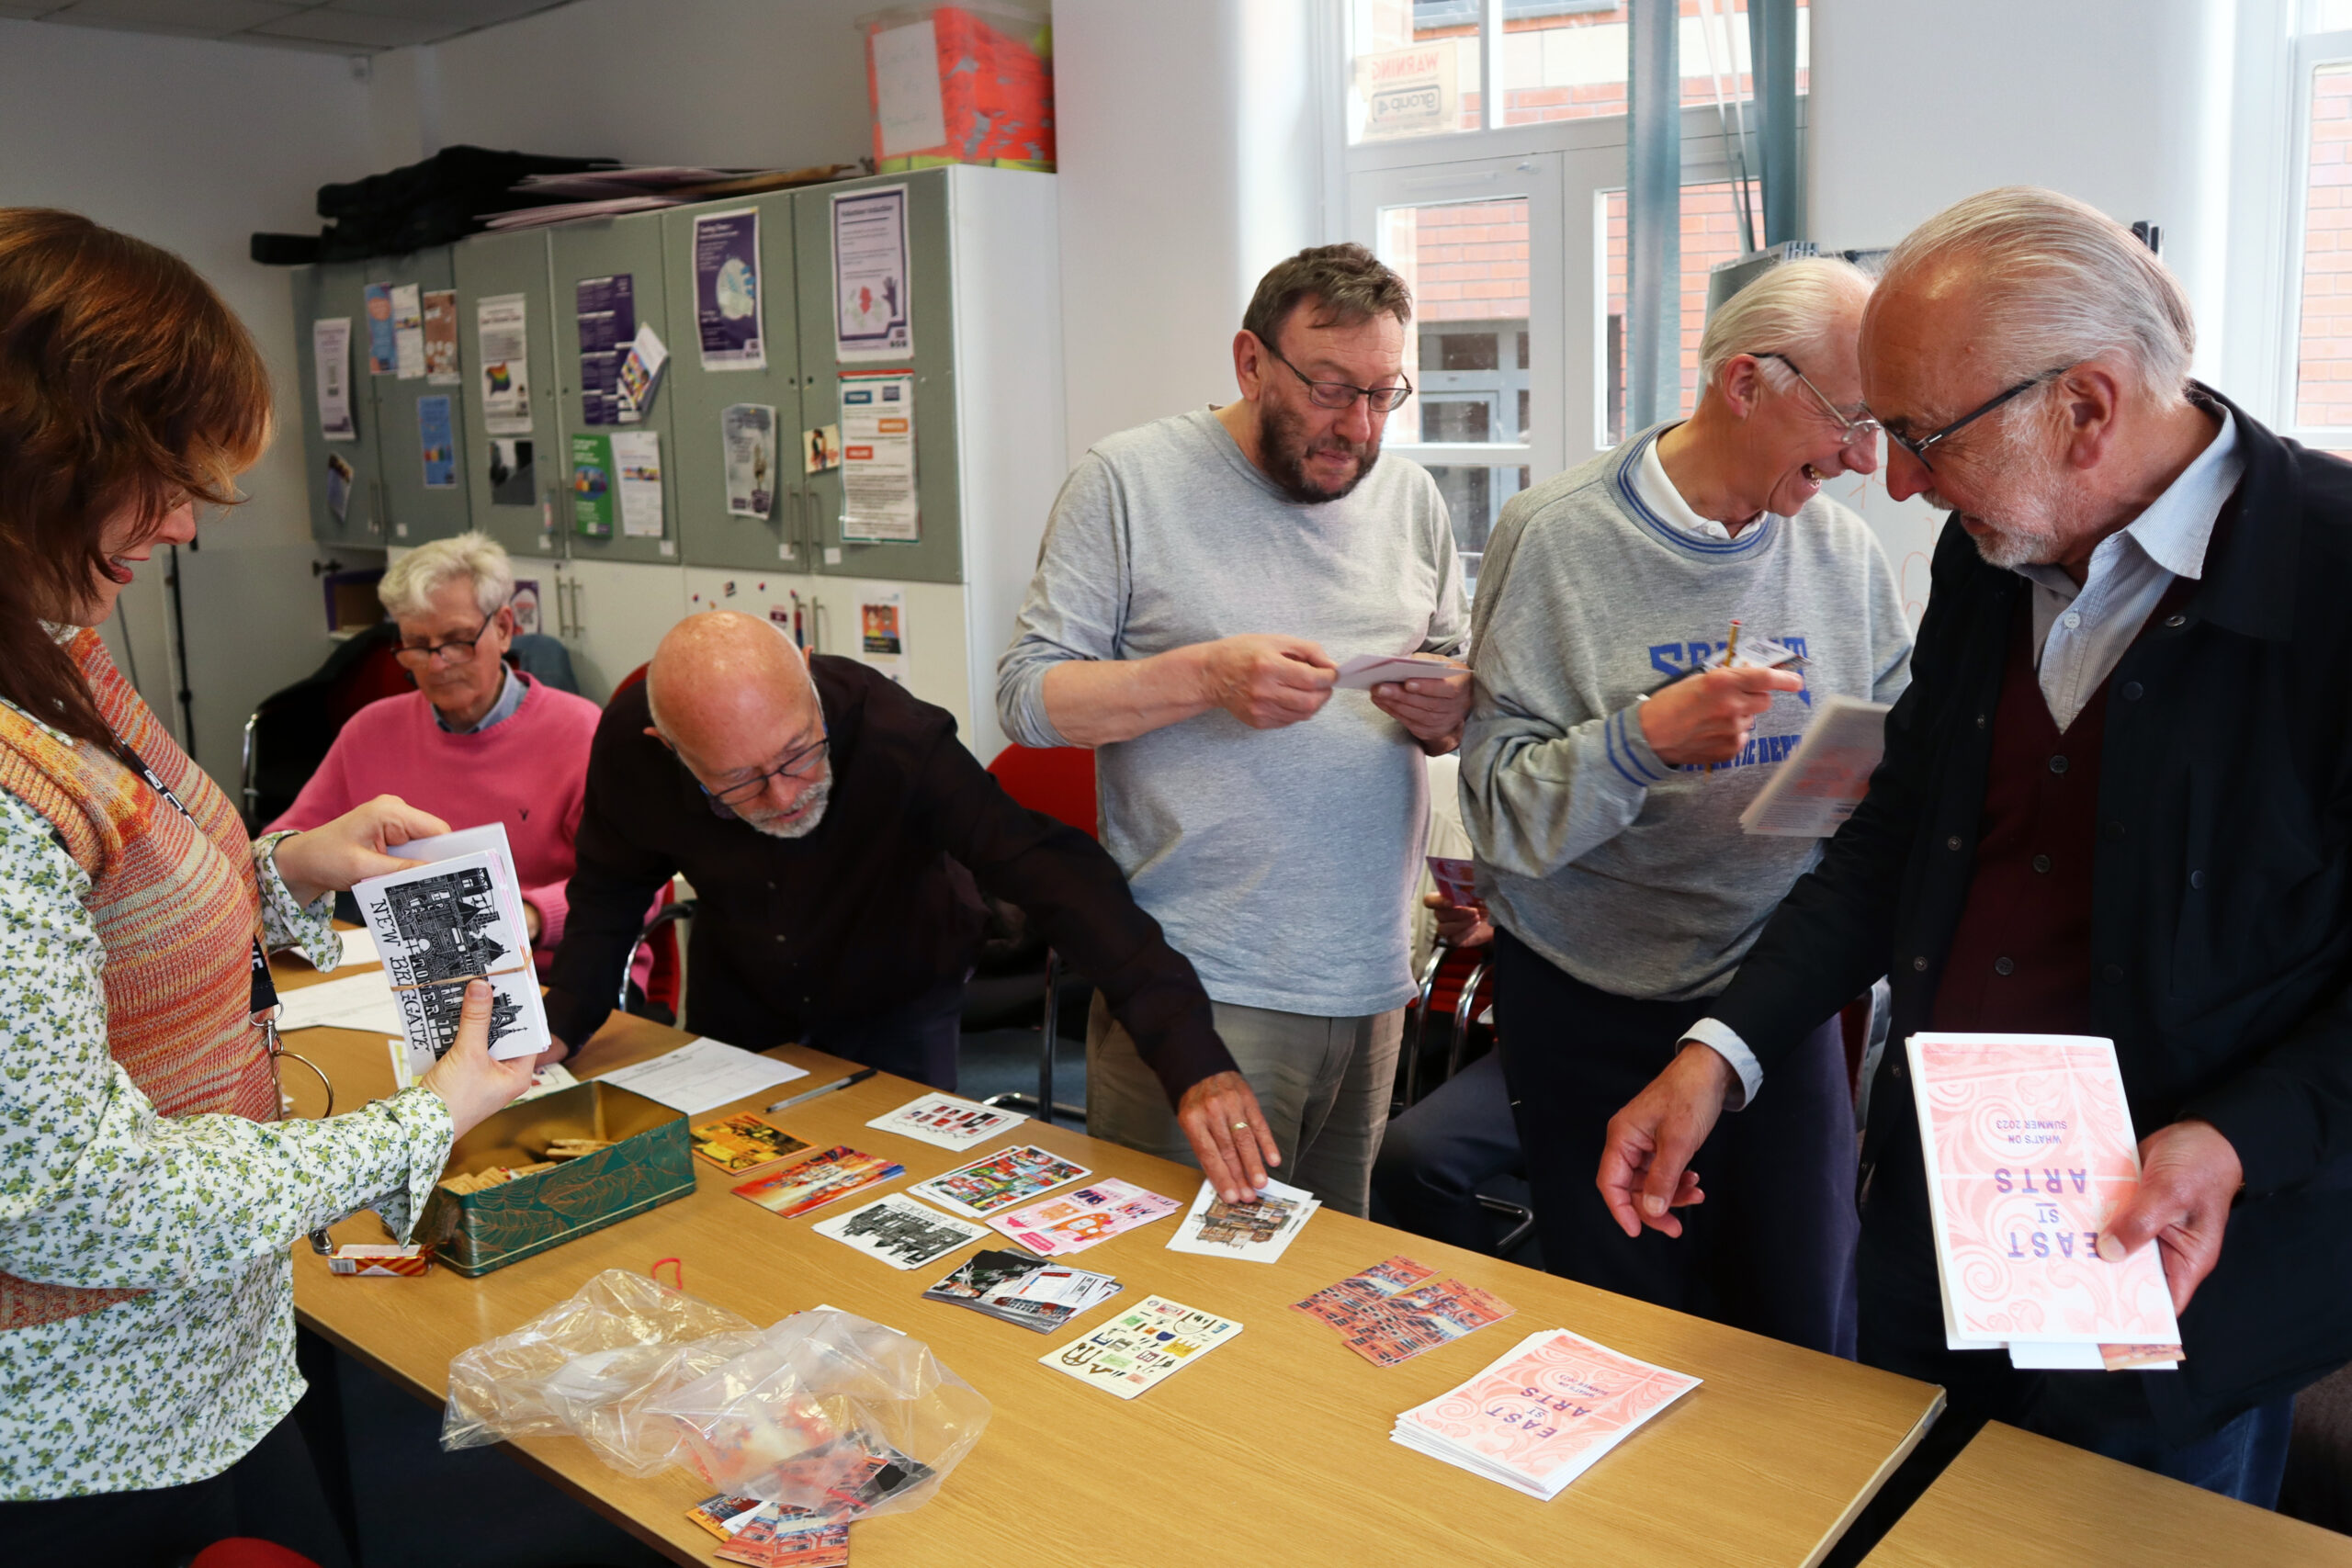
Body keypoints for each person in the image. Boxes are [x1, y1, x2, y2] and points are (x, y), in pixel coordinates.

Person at [1595, 186, 2352, 1507]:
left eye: (1921, 434)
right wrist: (1721, 1052)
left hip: (2181, 1266)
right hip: (1941, 1221)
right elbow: (1898, 836)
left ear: (2086, 407)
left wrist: (2236, 1137)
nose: (1896, 481)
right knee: (1896, 1515)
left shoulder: (2331, 578)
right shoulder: (1986, 555)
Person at [0, 209, 534, 1563]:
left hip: (205, 1363)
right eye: (162, 479)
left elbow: (116, 877)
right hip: (82, 1429)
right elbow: (77, 1199)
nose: (186, 523)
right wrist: (420, 1121)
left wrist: (284, 865)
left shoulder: (54, 648)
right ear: (46, 455)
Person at [1459, 258, 1911, 1356]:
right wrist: (1641, 743)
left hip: (1768, 996)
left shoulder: (1841, 553)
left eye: (1882, 427)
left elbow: (1897, 746)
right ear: (1744, 383)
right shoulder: (1553, 537)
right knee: (1621, 1329)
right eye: (1851, 419)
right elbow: (1502, 816)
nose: (1864, 460)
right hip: (1585, 996)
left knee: (1804, 1326)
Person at [997, 243, 1470, 1217]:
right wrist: (1203, 677)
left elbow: (1454, 673)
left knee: (1327, 1276)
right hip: (1198, 988)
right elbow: (1028, 698)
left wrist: (1450, 710)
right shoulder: (1128, 480)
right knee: (1184, 1280)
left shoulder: (1410, 498)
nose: (1358, 426)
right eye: (1330, 389)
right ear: (1251, 362)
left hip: (1372, 974)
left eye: (1384, 394)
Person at [539, 614, 1276, 1197]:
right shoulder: (632, 745)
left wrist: (1191, 1055)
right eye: (739, 783)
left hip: (896, 984)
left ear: (807, 680)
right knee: (731, 1198)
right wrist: (564, 1022)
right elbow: (609, 887)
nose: (784, 794)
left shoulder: (896, 734)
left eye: (799, 752)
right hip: (744, 990)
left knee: (893, 1195)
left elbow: (1051, 873)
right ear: (668, 746)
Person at [269, 532, 628, 976]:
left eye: (457, 640)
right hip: (412, 972)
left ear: (503, 628)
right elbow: (285, 849)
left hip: (553, 969)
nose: (437, 664)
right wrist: (298, 865)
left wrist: (529, 916)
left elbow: (631, 882)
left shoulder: (581, 732)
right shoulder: (370, 732)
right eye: (418, 645)